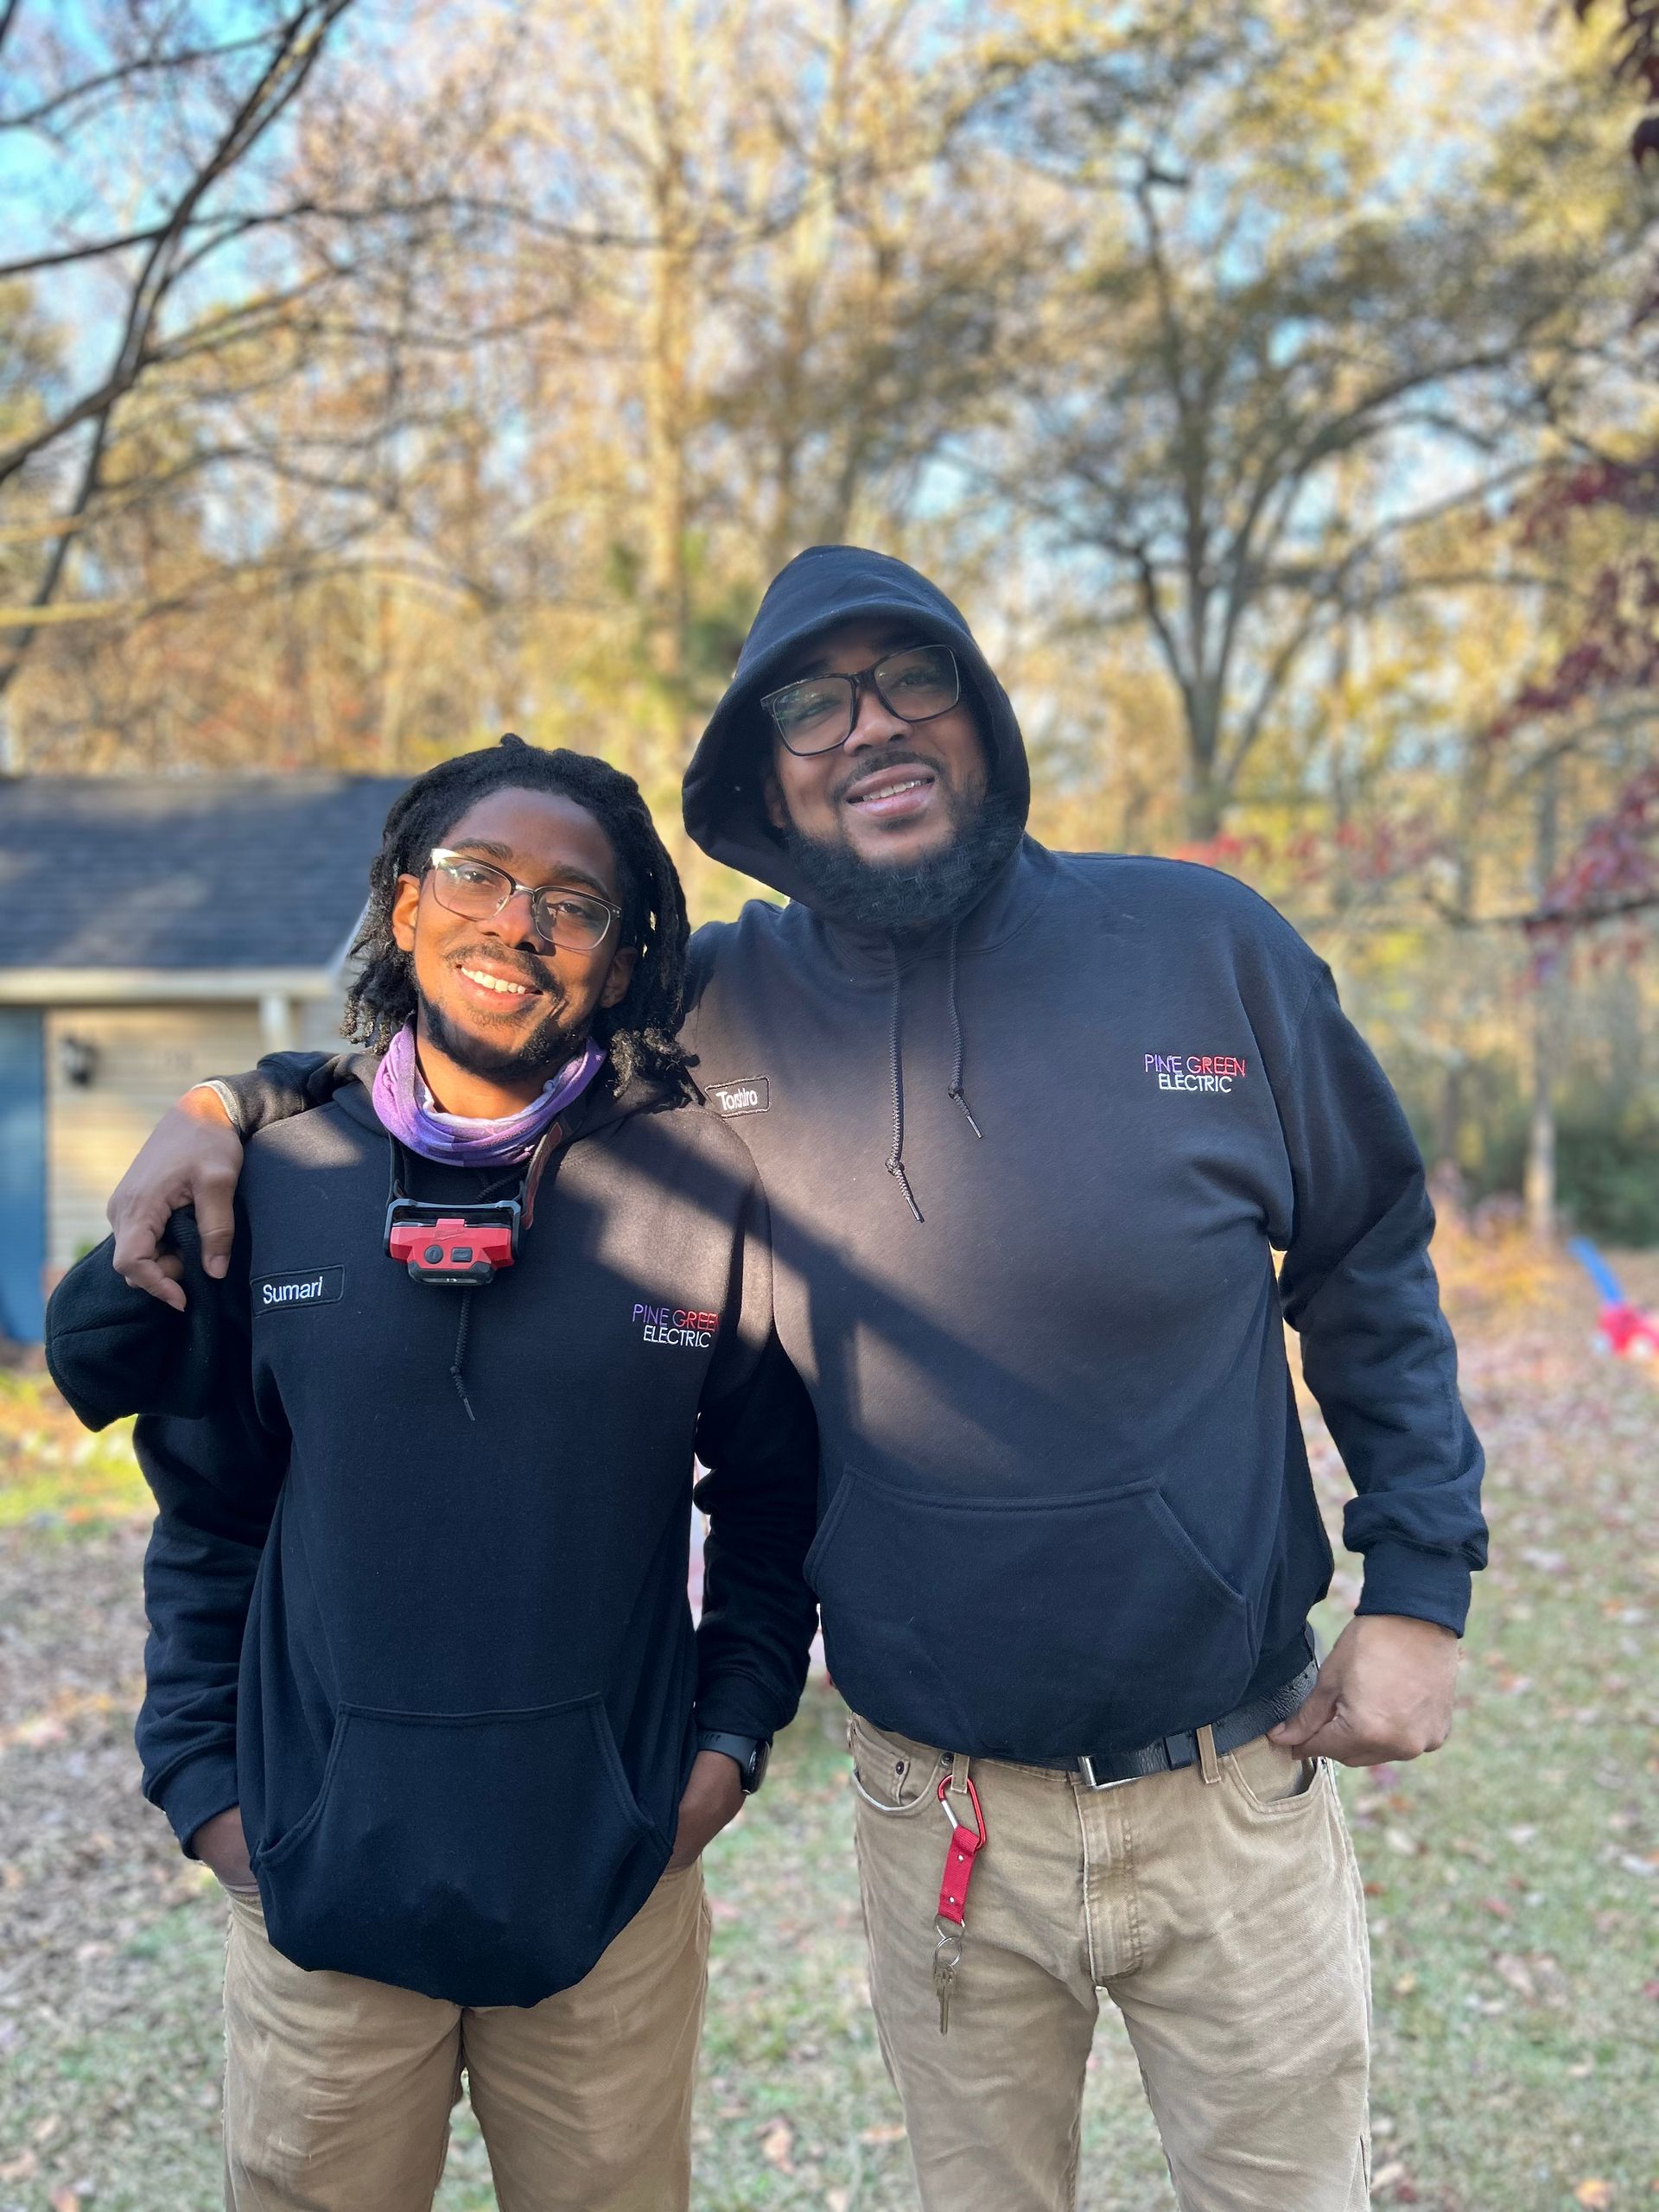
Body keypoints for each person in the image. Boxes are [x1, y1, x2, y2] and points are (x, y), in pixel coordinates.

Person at [105, 548, 1487, 2212]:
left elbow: (1370, 1245)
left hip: (1236, 1775)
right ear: (761, 778)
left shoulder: (1206, 946)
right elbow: (471, 1021)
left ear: (980, 713)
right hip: (941, 1807)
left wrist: (1419, 1582)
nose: (869, 731)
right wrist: (220, 1103)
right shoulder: (713, 1010)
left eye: (912, 681)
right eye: (811, 706)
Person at [47, 741, 817, 2212]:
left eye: (573, 902)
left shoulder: (700, 1191)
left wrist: (722, 1755)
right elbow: (206, 1519)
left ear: (623, 951)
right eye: (476, 877)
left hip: (607, 1906)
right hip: (319, 1907)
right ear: (403, 908)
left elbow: (774, 1504)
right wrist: (209, 1790)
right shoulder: (269, 1184)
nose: (516, 925)